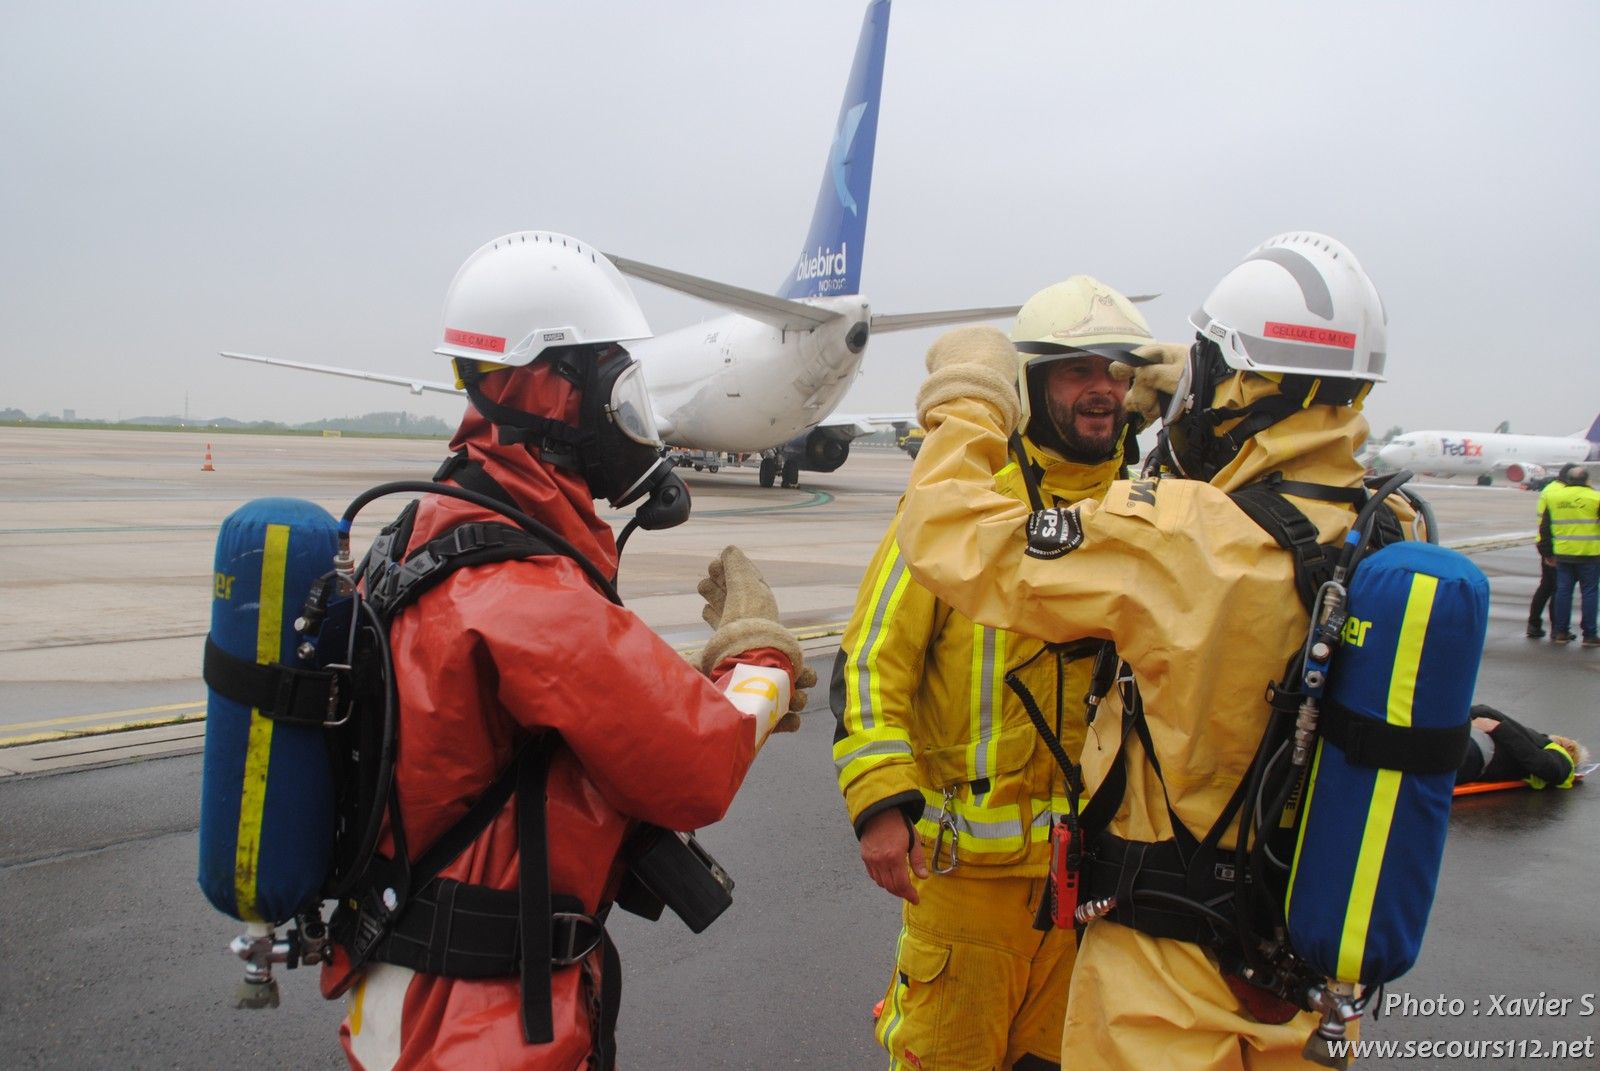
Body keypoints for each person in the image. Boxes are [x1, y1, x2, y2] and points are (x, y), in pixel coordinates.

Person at [895, 233, 1404, 1069]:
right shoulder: (1388, 528)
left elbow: (949, 534)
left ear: (1237, 380)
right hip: (1298, 972)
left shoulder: (1182, 538)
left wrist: (971, 400)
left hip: (1171, 983)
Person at [321, 231, 813, 1071]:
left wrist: (667, 689)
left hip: (407, 995)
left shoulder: (423, 536)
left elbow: (518, 730)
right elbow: (698, 760)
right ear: (548, 386)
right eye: (614, 379)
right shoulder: (524, 590)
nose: (629, 409)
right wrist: (758, 656)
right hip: (484, 1027)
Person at [832, 277, 1156, 1071]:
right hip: (967, 882)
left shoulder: (1147, 511)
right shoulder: (965, 508)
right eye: (1077, 370)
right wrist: (878, 806)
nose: (1101, 390)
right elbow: (874, 657)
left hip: (1096, 882)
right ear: (1033, 385)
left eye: (1114, 371)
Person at [1539, 462, 1600, 646]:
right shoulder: (1596, 497)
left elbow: (1545, 527)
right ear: (1586, 480)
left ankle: (1560, 632)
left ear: (1568, 479)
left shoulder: (1555, 498)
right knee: (1589, 593)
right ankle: (1589, 634)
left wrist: (1547, 552)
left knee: (1563, 592)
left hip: (1563, 553)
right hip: (1590, 553)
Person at [1457, 704, 1588, 789]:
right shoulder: (1537, 739)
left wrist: (1496, 727)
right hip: (1474, 744)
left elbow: (1548, 767)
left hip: (1480, 751)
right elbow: (1483, 711)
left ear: (1569, 749)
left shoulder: (1562, 758)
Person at [1526, 474, 1562, 637]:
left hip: (1545, 542)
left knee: (1546, 587)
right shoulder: (1560, 492)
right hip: (1555, 545)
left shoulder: (1549, 489)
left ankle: (1534, 624)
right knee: (1556, 588)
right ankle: (1557, 627)